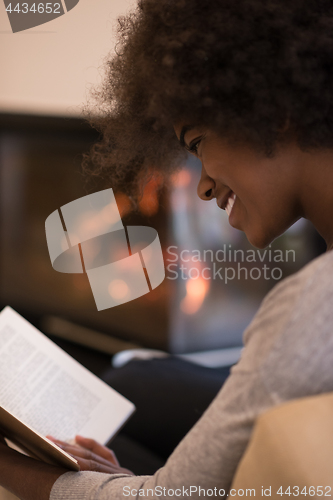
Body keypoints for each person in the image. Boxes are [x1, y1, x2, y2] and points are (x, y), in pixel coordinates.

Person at [2, 0, 333, 498]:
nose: (202, 187)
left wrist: (8, 467)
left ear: (276, 112)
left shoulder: (312, 302)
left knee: (123, 400)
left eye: (197, 143)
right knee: (138, 379)